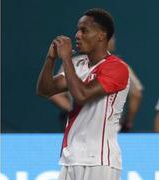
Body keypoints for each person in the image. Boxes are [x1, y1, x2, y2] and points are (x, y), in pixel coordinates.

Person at [36, 8, 129, 180]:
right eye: (77, 30)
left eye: (84, 30)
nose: (77, 35)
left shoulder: (117, 67)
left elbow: (82, 95)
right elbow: (45, 90)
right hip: (72, 157)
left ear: (101, 35)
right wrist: (50, 59)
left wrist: (65, 59)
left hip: (100, 159)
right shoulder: (79, 66)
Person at [49, 36, 143, 132]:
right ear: (101, 40)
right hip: (106, 126)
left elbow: (54, 94)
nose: (114, 41)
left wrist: (75, 111)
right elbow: (136, 94)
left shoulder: (72, 63)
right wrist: (128, 121)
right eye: (111, 38)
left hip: (77, 126)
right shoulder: (119, 66)